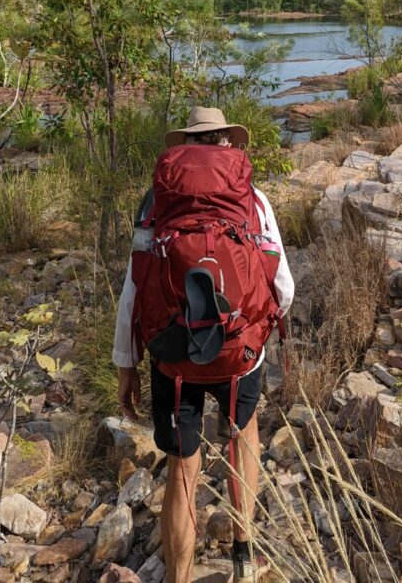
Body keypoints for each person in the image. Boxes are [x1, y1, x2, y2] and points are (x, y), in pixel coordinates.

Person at [113, 107, 294, 583]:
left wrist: (125, 365)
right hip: (240, 353)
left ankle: (179, 577)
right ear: (227, 144)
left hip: (174, 356)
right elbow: (284, 286)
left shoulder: (155, 201)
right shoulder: (252, 199)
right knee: (243, 436)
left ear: (185, 146)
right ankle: (244, 552)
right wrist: (253, 332)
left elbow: (135, 287)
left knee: (181, 468)